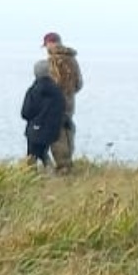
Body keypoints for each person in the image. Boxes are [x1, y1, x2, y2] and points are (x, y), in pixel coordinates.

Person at [42, 31, 84, 173]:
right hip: (70, 103)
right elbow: (79, 84)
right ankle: (68, 162)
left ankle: (63, 167)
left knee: (56, 134)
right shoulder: (72, 60)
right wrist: (69, 94)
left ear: (51, 43)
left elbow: (50, 85)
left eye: (46, 44)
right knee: (68, 131)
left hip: (55, 104)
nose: (46, 48)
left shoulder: (52, 61)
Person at [21, 60, 67, 169]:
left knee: (32, 157)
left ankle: (31, 178)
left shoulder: (33, 91)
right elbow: (62, 110)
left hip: (35, 130)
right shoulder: (57, 92)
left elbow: (25, 113)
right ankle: (51, 176)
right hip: (51, 131)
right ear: (49, 72)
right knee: (42, 153)